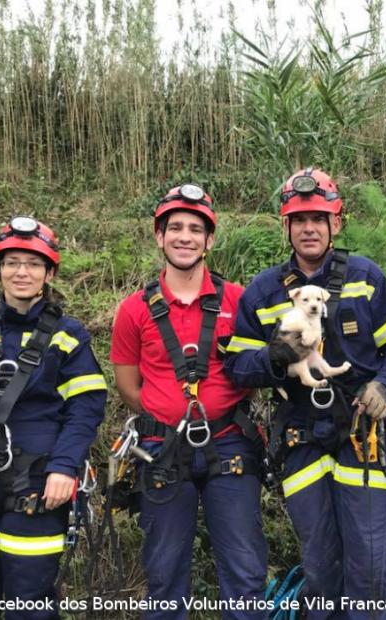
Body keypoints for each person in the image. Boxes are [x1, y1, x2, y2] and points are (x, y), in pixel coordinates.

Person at [224, 168, 386, 619]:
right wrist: (275, 357)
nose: (309, 227)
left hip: (360, 433)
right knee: (320, 567)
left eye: (319, 218)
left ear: (336, 223)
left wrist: (384, 385)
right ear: (286, 225)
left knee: (369, 565)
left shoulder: (366, 277)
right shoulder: (264, 291)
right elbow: (235, 366)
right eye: (299, 218)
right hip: (300, 437)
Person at [110, 184, 268, 619]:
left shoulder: (239, 300)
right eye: (174, 228)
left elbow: (252, 372)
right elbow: (128, 385)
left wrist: (219, 406)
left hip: (230, 444)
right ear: (159, 237)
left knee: (245, 570)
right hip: (162, 449)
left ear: (209, 240)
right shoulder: (134, 310)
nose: (185, 236)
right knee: (164, 572)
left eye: (195, 229)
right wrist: (165, 413)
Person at [0, 217, 107, 619]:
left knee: (31, 605)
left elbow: (85, 409)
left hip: (39, 485)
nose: (22, 272)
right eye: (12, 262)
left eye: (33, 263)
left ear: (49, 272)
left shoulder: (69, 337)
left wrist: (64, 467)